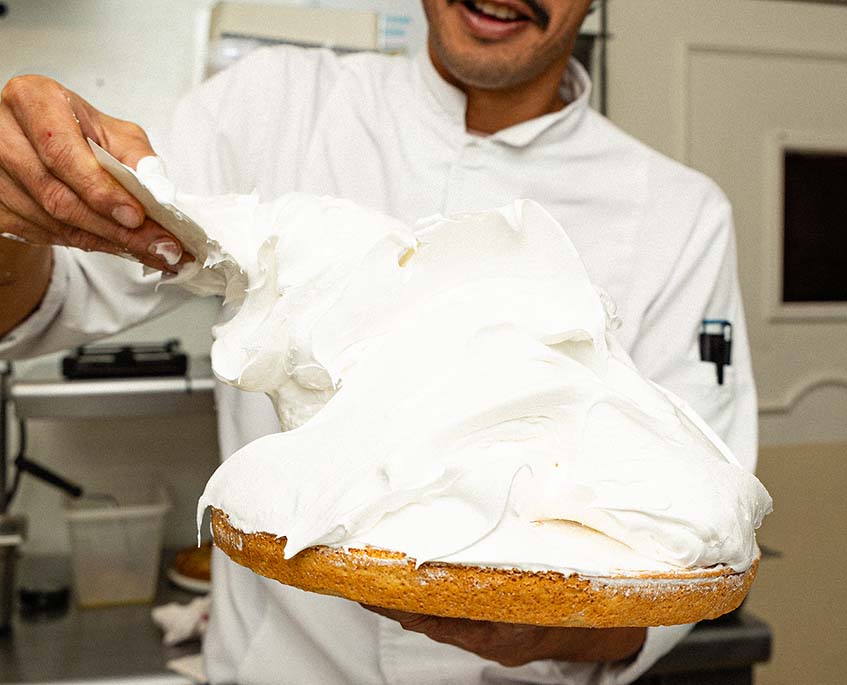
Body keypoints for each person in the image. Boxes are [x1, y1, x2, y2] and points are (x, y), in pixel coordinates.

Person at [0, 0, 757, 682]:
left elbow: (693, 544)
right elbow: (42, 303)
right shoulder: (272, 107)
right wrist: (23, 202)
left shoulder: (679, 216)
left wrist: (549, 629)